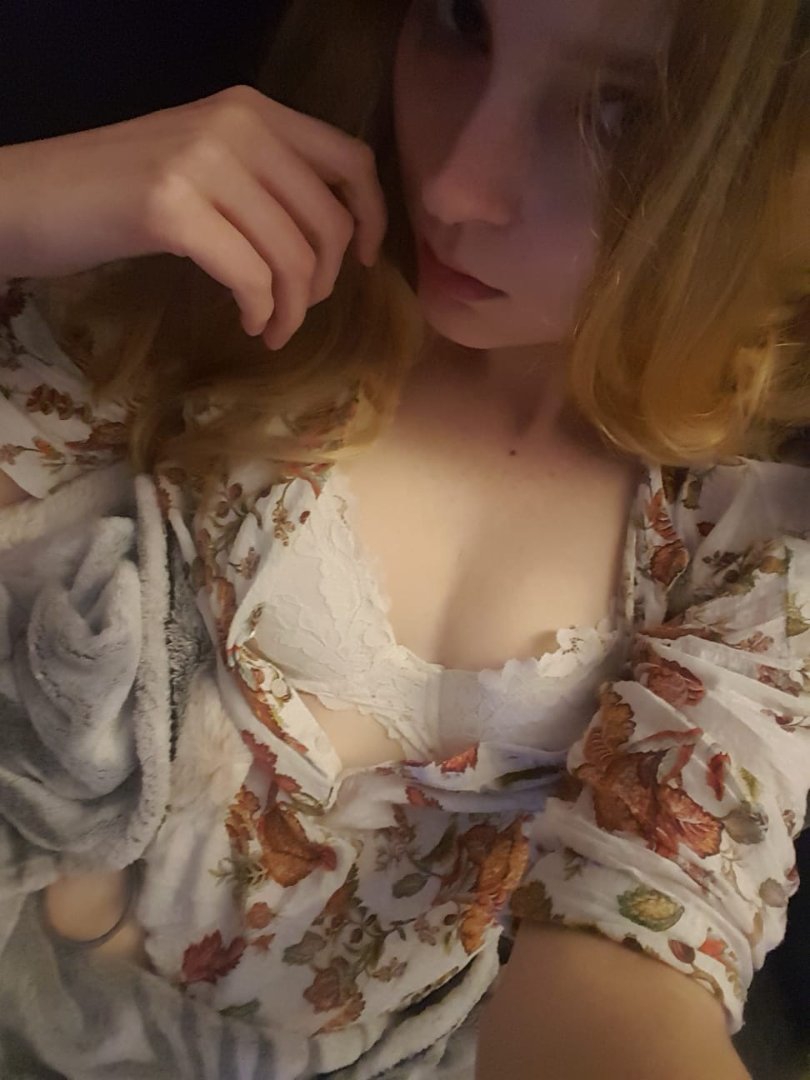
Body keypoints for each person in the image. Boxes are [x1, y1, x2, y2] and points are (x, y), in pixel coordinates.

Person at [0, 0, 808, 1077]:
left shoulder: (747, 545)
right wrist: (17, 201)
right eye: (460, 21)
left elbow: (639, 964)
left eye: (629, 113)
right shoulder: (224, 285)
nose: (456, 184)